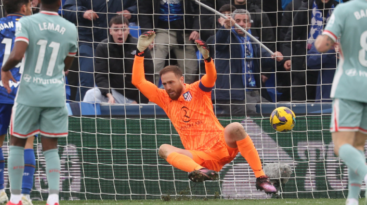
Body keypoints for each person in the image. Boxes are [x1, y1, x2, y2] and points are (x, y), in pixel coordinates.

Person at [132, 31, 277, 194]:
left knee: (235, 127)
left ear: (181, 79)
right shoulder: (163, 97)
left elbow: (211, 77)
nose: (168, 87)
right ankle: (200, 171)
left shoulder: (197, 89)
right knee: (163, 149)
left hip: (223, 145)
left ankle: (261, 177)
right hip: (200, 157)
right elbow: (138, 81)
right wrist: (139, 52)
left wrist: (207, 59)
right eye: (164, 84)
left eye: (171, 82)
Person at [0, 0, 78, 203]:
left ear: (38, 2)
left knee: (16, 142)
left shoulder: (27, 22)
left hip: (29, 92)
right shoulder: (71, 28)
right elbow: (67, 64)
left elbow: (17, 55)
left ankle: (15, 198)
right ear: (60, 3)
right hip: (55, 93)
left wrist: (4, 68)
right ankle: (53, 198)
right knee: (50, 146)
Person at [0, 0, 35, 204]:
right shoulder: (34, 26)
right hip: (27, 91)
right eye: (29, 5)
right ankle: (25, 196)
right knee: (26, 142)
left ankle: (0, 192)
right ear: (23, 7)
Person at [315, 0, 367, 204]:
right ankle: (353, 199)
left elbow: (321, 45)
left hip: (350, 85)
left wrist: (327, 39)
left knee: (341, 145)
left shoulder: (344, 9)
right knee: (358, 146)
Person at [213, 9, 285, 115]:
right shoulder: (226, 37)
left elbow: (264, 57)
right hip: (232, 96)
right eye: (237, 20)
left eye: (244, 21)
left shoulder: (252, 40)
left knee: (274, 112)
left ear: (249, 24)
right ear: (232, 22)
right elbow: (218, 44)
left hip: (252, 92)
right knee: (254, 116)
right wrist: (225, 28)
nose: (241, 23)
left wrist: (275, 57)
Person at [63, 0, 137, 101]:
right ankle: (82, 112)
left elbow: (142, 8)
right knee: (86, 77)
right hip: (88, 40)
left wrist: (130, 12)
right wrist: (83, 13)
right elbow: (67, 9)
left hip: (115, 43)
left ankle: (119, 110)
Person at [84, 15, 153, 104]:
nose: (120, 33)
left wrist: (138, 101)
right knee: (91, 94)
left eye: (123, 29)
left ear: (128, 30)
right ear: (110, 31)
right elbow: (100, 75)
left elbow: (149, 77)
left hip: (136, 97)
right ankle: (85, 118)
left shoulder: (140, 47)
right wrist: (108, 94)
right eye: (116, 30)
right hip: (114, 95)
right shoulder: (103, 47)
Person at [282, 0, 338, 101]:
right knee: (300, 106)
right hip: (304, 69)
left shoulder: (339, 10)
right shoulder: (305, 9)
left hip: (330, 69)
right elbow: (289, 39)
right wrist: (287, 58)